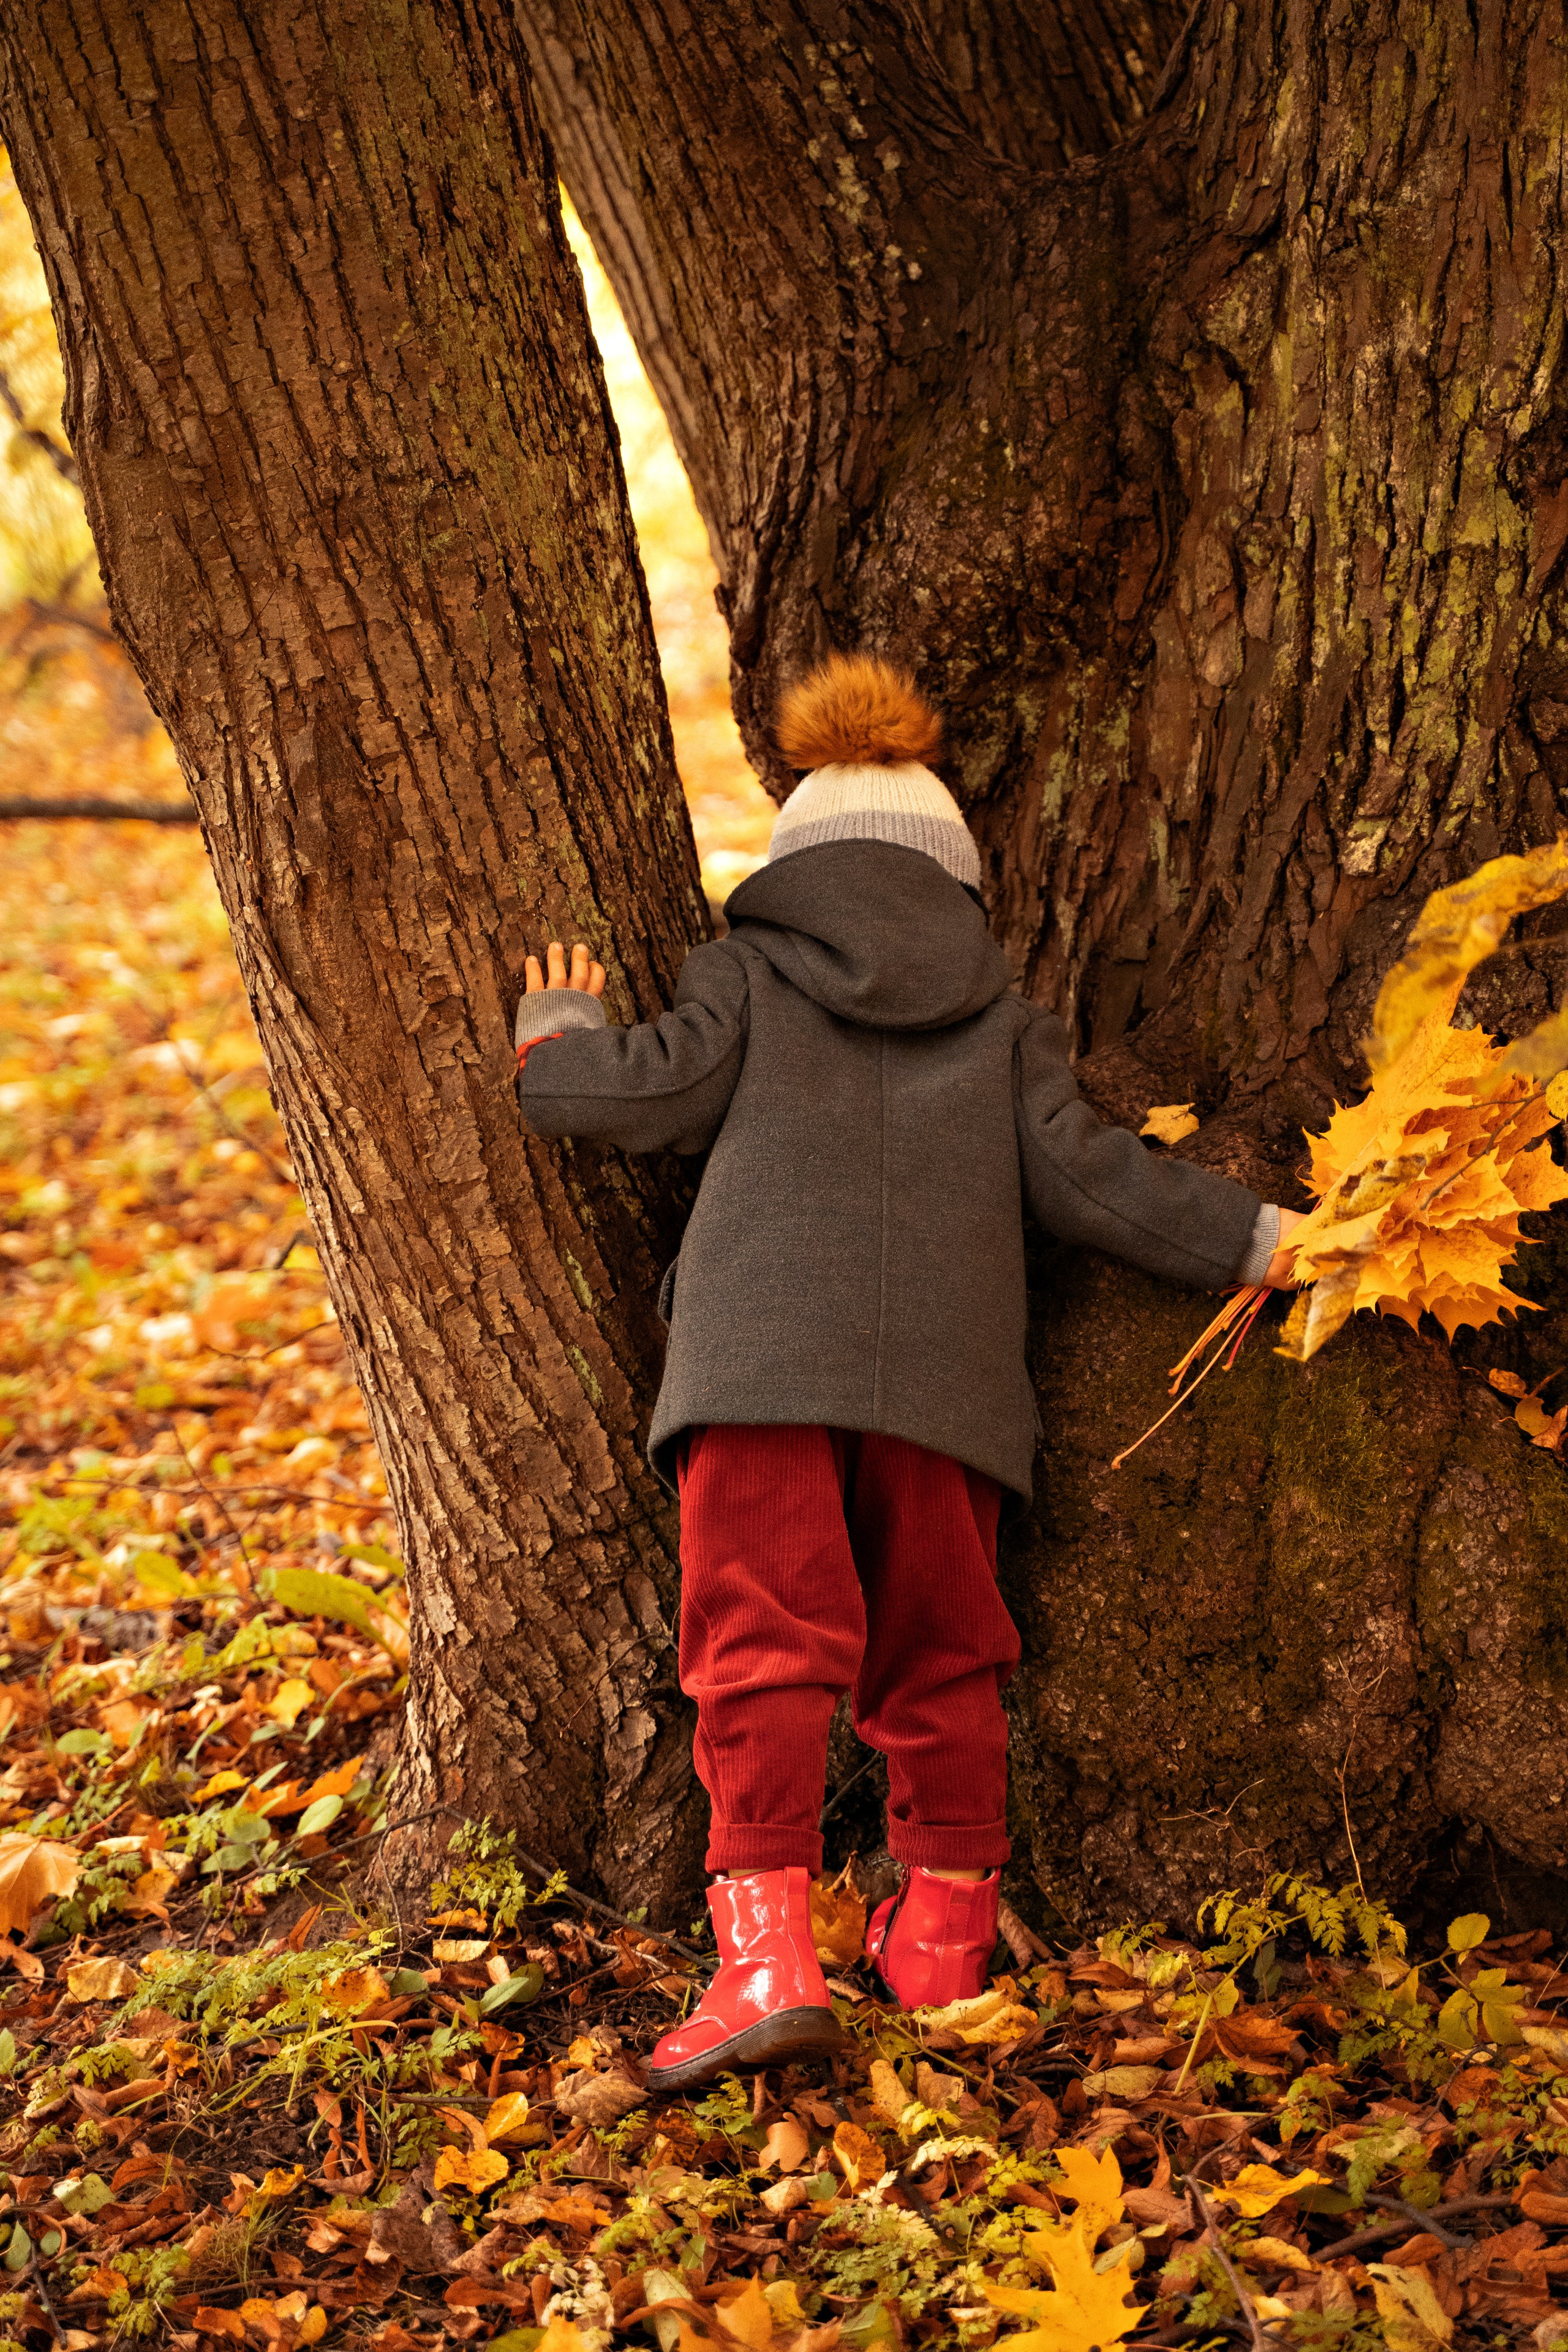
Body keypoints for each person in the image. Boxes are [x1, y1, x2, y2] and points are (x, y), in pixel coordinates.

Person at [513, 654, 1301, 2092]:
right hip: (946, 1389)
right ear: (954, 884)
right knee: (945, 1648)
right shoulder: (1003, 1021)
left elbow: (616, 1095)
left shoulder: (742, 974)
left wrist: (555, 1034)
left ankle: (764, 1962)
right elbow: (1093, 1184)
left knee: (761, 1646)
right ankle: (941, 1941)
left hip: (758, 1362)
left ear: (793, 869)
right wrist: (1254, 1238)